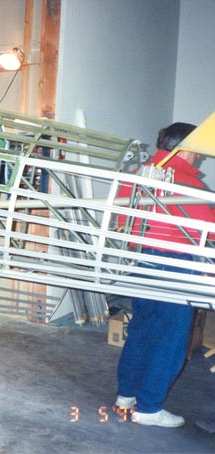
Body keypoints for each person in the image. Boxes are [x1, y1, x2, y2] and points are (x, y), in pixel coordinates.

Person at [115, 122, 215, 428]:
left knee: (142, 329)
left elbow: (123, 219)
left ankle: (126, 396)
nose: (200, 156)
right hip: (174, 264)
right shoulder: (187, 184)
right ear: (183, 149)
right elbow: (210, 229)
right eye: (197, 151)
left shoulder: (138, 174)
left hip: (141, 261)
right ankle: (149, 408)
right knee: (170, 339)